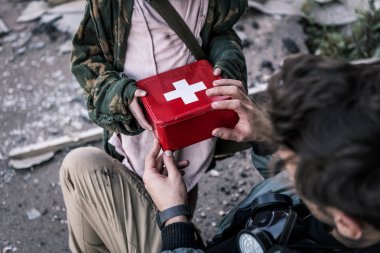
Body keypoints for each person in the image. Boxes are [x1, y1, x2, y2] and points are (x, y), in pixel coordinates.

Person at [60, 54, 380, 253]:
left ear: (347, 224)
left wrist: (175, 217)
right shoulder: (360, 192)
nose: (283, 158)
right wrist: (264, 137)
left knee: (81, 167)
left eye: (293, 161)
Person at [70, 0, 248, 214]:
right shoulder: (113, 5)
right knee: (136, 197)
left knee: (185, 179)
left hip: (193, 111)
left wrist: (226, 62)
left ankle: (182, 238)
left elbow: (220, 32)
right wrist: (119, 95)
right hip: (140, 123)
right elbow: (87, 58)